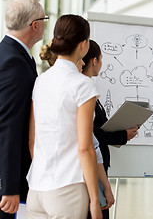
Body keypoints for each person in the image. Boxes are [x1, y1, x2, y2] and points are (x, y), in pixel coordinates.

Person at [26, 14, 102, 219]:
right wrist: (95, 200)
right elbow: (85, 148)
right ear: (83, 44)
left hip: (36, 188)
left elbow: (32, 140)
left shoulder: (41, 81)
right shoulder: (83, 85)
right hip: (67, 188)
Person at [39, 41, 115, 216]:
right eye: (80, 60)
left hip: (49, 183)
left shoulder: (42, 84)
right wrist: (98, 197)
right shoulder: (82, 89)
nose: (82, 64)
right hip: (79, 182)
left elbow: (33, 141)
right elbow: (89, 148)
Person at [0, 0, 45, 218]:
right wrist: (9, 187)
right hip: (9, 186)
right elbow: (8, 125)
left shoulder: (14, 55)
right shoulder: (13, 62)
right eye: (45, 18)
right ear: (35, 25)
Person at [81, 39, 138, 219]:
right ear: (94, 61)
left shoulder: (89, 87)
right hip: (90, 168)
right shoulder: (83, 89)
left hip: (96, 165)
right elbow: (91, 134)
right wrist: (122, 136)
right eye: (101, 59)